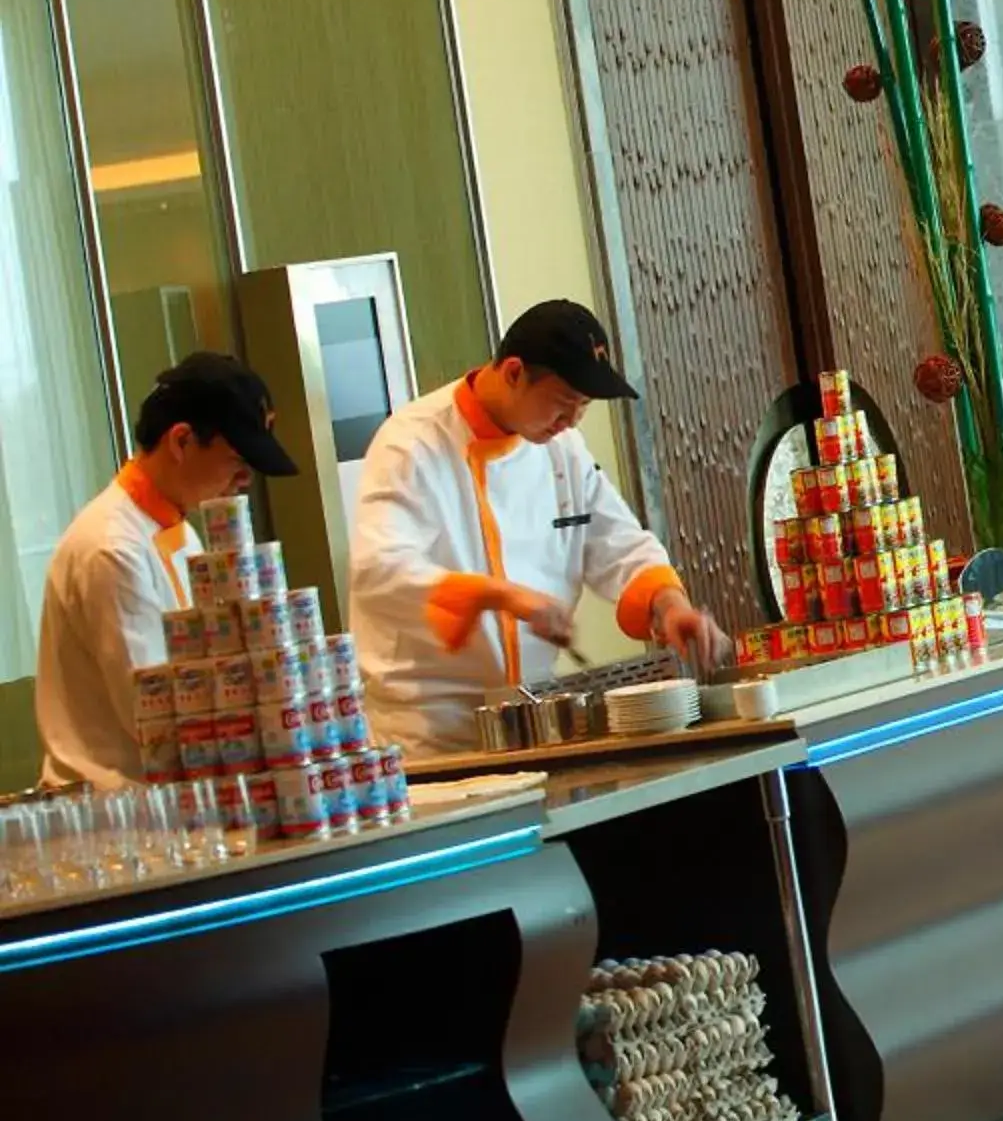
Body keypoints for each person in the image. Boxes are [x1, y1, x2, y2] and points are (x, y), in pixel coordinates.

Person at [349, 300, 728, 754]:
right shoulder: (411, 444)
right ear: (513, 373)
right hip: (434, 735)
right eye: (564, 403)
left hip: (534, 722)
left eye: (584, 407)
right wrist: (504, 595)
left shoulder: (562, 449)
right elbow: (379, 570)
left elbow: (617, 541)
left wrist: (670, 606)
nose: (571, 422)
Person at [35, 354, 300, 788]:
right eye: (237, 461)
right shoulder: (112, 549)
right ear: (181, 442)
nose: (244, 480)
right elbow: (154, 716)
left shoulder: (177, 529)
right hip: (115, 812)